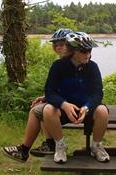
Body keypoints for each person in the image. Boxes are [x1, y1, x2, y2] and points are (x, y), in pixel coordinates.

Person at [2, 32, 110, 164]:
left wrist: (87, 107)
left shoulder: (92, 67)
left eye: (90, 49)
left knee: (102, 111)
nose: (88, 53)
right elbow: (50, 91)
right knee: (47, 110)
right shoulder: (58, 66)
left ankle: (97, 147)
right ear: (73, 50)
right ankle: (60, 146)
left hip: (86, 110)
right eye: (84, 50)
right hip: (64, 110)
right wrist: (64, 104)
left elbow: (98, 93)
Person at [29, 28, 73, 157]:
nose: (59, 48)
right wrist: (45, 97)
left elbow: (74, 90)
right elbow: (58, 88)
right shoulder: (59, 64)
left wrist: (50, 98)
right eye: (56, 45)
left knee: (42, 110)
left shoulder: (72, 63)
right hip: (62, 102)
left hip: (72, 105)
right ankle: (49, 144)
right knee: (39, 107)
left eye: (62, 44)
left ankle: (50, 144)